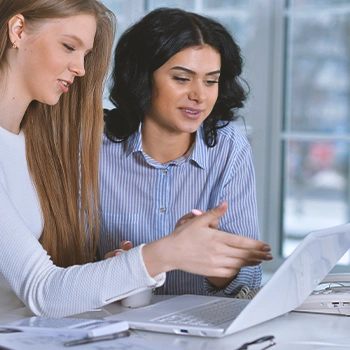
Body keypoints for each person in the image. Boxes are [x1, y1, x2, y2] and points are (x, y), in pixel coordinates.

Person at [0, 1, 271, 318]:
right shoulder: (79, 145)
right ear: (17, 31)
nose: (81, 69)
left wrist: (125, 268)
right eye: (69, 46)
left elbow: (247, 280)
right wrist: (165, 253)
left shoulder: (36, 139)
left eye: (211, 81)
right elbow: (44, 290)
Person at [100, 7, 272, 297]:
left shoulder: (230, 148)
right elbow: (62, 271)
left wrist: (214, 257)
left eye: (211, 81)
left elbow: (249, 281)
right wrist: (110, 269)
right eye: (182, 78)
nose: (199, 96)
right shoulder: (93, 149)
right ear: (142, 77)